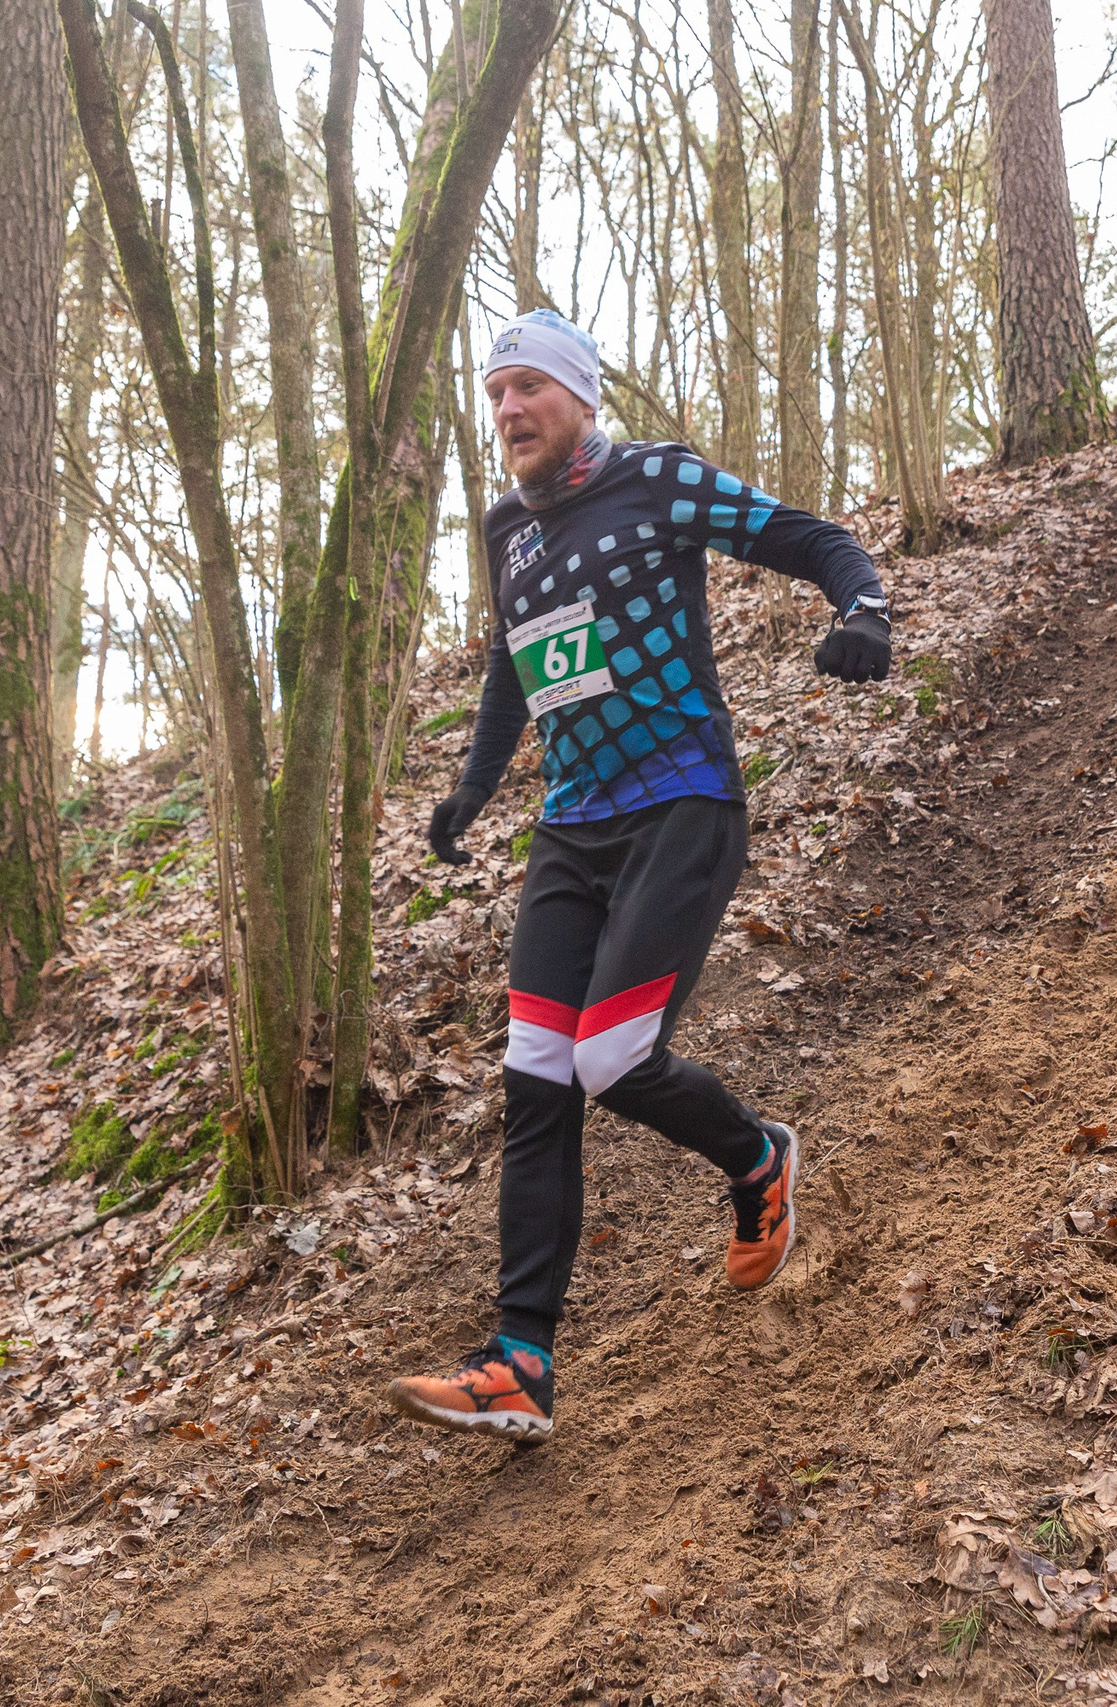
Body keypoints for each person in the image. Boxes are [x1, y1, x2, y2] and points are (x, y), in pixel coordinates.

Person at [384, 310, 892, 1442]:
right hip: (569, 829)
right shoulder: (505, 530)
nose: (508, 410)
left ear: (579, 396)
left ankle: (758, 1159)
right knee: (534, 1075)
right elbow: (515, 675)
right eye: (495, 392)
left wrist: (862, 608)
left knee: (611, 1058)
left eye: (529, 388)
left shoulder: (655, 482)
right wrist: (473, 789)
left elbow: (807, 537)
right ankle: (519, 1360)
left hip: (679, 803)